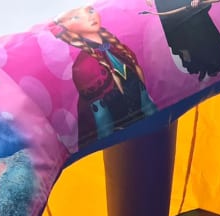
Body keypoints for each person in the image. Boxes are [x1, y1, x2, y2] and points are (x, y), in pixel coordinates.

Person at [52, 5, 156, 144]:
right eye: (76, 17)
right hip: (120, 143)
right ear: (68, 29)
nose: (90, 16)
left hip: (151, 129)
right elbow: (103, 125)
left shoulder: (120, 49)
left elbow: (146, 101)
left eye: (90, 10)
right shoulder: (84, 66)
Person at [144, 0, 220, 81]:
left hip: (188, 6)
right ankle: (199, 67)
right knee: (183, 42)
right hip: (169, 11)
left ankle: (213, 66)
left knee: (201, 35)